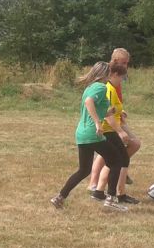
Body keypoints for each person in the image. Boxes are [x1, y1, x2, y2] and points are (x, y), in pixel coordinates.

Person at [50, 59, 131, 213]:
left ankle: (59, 197)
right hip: (93, 133)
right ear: (105, 73)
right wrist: (97, 123)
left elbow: (95, 108)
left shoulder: (90, 87)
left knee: (84, 170)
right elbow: (89, 103)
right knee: (117, 161)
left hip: (82, 134)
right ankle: (110, 200)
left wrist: (111, 112)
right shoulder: (101, 87)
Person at [87, 48, 141, 203]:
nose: (126, 67)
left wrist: (120, 111)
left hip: (113, 125)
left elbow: (112, 107)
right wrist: (120, 131)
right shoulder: (108, 87)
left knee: (119, 157)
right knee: (115, 159)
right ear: (115, 73)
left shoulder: (112, 85)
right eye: (124, 63)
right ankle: (105, 190)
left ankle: (104, 190)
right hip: (108, 128)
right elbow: (105, 111)